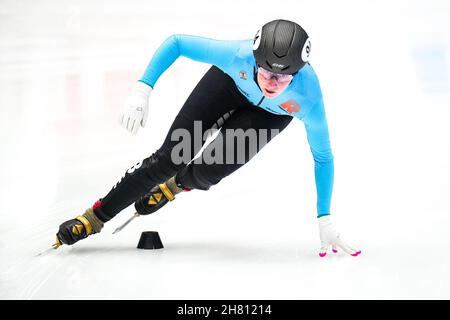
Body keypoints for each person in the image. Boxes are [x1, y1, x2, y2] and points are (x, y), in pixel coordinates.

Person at [56, 19, 361, 258]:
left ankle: (173, 187)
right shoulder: (237, 56)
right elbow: (176, 43)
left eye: (282, 77)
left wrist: (325, 216)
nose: (271, 82)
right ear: (254, 58)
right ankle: (94, 217)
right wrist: (143, 87)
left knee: (208, 172)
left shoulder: (309, 98)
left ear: (299, 72)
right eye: (265, 71)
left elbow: (323, 157)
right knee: (169, 159)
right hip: (227, 85)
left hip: (270, 116)